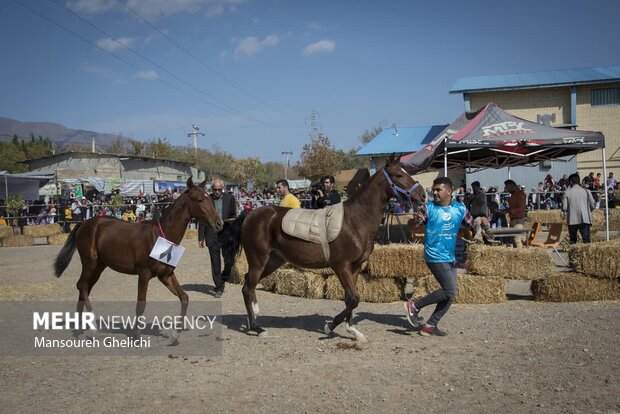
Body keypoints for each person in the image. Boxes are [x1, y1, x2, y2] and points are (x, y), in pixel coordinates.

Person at [403, 177, 473, 337]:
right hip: (434, 255)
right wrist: (414, 222)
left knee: (450, 295)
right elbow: (412, 225)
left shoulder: (460, 208)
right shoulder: (428, 208)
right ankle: (414, 306)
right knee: (449, 290)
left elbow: (470, 222)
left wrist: (480, 222)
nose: (434, 192)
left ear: (449, 192)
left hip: (450, 256)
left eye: (438, 190)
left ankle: (429, 326)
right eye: (434, 190)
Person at [198, 178, 237, 298]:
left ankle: (224, 277)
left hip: (226, 234)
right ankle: (219, 286)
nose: (217, 192)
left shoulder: (230, 198)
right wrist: (201, 238)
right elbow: (203, 219)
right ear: (212, 189)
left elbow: (233, 215)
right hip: (212, 234)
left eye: (219, 190)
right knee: (215, 262)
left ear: (223, 189)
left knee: (229, 261)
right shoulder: (207, 199)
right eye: (215, 189)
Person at [563, 173, 595, 244]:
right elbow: (593, 205)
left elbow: (564, 207)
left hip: (572, 219)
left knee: (573, 241)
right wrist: (588, 212)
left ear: (571, 182)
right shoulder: (587, 191)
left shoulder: (567, 193)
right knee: (586, 241)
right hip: (585, 219)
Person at [504, 179, 526, 248]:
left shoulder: (520, 194)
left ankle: (520, 255)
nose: (506, 189)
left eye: (507, 187)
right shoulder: (513, 195)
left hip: (518, 219)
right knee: (513, 239)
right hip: (513, 219)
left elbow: (521, 207)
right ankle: (515, 255)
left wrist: (510, 211)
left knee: (517, 239)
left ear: (512, 185)